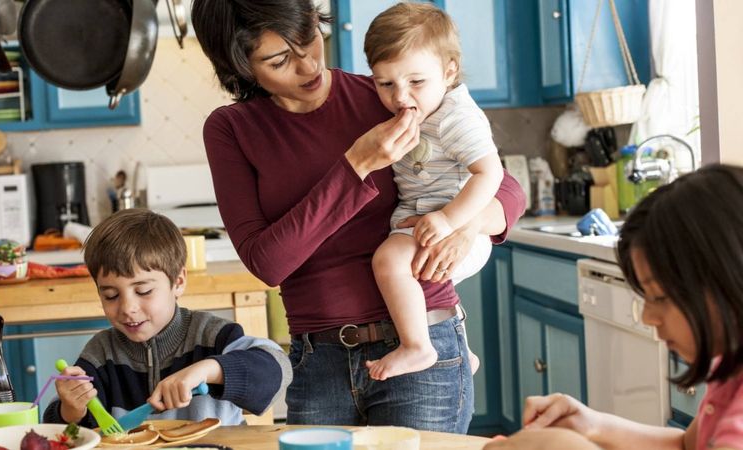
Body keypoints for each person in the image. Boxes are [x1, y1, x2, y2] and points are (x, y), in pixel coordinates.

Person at [191, 0, 526, 433]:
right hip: (319, 361)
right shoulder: (232, 129)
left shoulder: (389, 94)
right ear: (241, 66)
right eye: (279, 60)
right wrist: (356, 165)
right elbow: (268, 263)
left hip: (424, 347)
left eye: (309, 39)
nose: (309, 65)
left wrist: (468, 223)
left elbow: (506, 187)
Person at [486, 164, 743, 450]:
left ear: (726, 281)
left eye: (659, 297)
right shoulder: (729, 368)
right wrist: (591, 426)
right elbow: (685, 445)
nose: (647, 316)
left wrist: (569, 447)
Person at [43, 208, 291, 428]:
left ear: (178, 282)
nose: (127, 308)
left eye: (144, 291)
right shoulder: (100, 354)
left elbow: (278, 369)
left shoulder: (212, 336)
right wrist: (71, 410)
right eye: (110, 295)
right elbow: (58, 430)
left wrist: (208, 370)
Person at [363, 2, 503, 381]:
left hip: (455, 228)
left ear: (449, 70)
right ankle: (462, 351)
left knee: (389, 263)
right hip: (427, 222)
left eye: (416, 82)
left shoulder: (455, 118)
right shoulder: (416, 111)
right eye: (385, 84)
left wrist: (449, 220)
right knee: (419, 280)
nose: (400, 97)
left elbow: (491, 172)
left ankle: (418, 347)